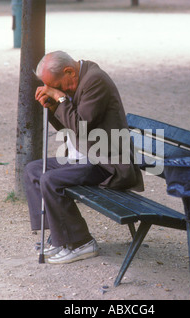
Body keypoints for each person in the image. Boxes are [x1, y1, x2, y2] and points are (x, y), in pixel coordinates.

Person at [23, 51, 144, 264]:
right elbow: (69, 129)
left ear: (69, 71)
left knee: (51, 180)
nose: (59, 91)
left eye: (59, 85)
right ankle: (60, 238)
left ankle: (82, 243)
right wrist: (53, 107)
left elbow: (82, 127)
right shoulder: (77, 80)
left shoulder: (95, 80)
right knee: (33, 170)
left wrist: (59, 98)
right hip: (84, 156)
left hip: (108, 163)